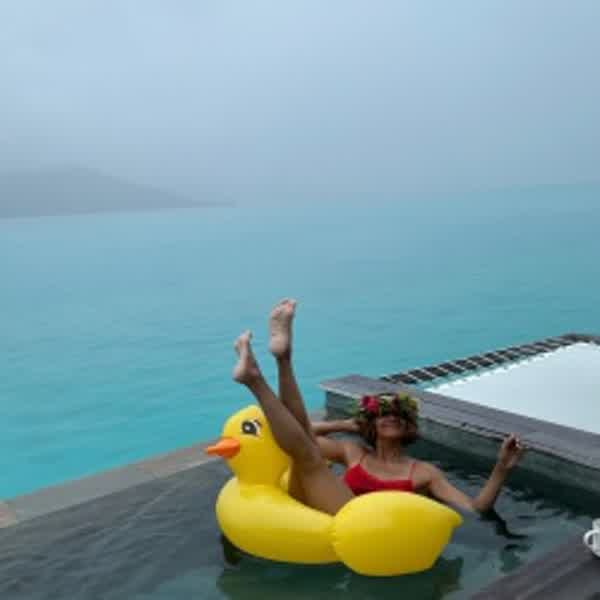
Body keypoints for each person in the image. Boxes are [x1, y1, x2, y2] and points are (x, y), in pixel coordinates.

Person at [233, 298, 524, 516]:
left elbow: (475, 508)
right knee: (304, 449)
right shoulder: (353, 452)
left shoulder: (424, 473)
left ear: (409, 425)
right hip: (319, 514)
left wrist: (501, 467)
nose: (391, 416)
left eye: (398, 413)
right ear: (370, 424)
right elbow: (302, 433)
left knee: (308, 456)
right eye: (383, 413)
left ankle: (261, 375)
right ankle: (279, 359)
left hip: (364, 530)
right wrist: (342, 425)